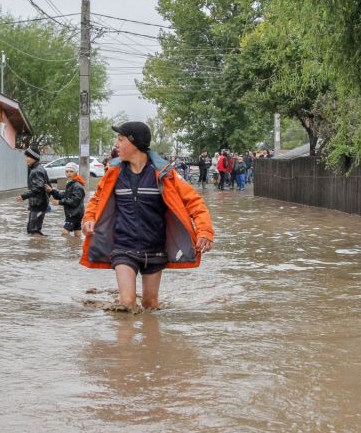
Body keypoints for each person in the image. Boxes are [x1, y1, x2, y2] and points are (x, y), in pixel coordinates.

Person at [80, 121, 214, 311]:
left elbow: (194, 202)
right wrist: (89, 219)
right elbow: (97, 200)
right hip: (123, 247)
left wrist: (205, 232)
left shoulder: (165, 175)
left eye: (120, 139)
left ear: (135, 143)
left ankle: (150, 337)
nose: (116, 145)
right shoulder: (114, 173)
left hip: (155, 248)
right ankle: (125, 339)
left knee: (150, 304)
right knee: (126, 303)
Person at [45, 162, 86, 237]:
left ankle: (68, 247)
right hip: (76, 213)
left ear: (76, 172)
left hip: (74, 214)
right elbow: (64, 195)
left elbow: (74, 201)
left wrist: (59, 202)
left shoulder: (77, 185)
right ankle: (76, 247)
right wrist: (52, 191)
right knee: (77, 235)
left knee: (64, 233)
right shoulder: (71, 183)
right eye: (67, 171)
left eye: (71, 171)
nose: (69, 173)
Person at [16, 146, 50, 235]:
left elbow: (38, 188)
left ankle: (38, 247)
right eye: (26, 157)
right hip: (38, 205)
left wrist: (24, 196)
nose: (26, 159)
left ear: (34, 158)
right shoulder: (38, 169)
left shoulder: (37, 171)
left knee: (34, 230)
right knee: (33, 229)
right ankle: (36, 247)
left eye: (28, 157)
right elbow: (47, 186)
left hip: (38, 205)